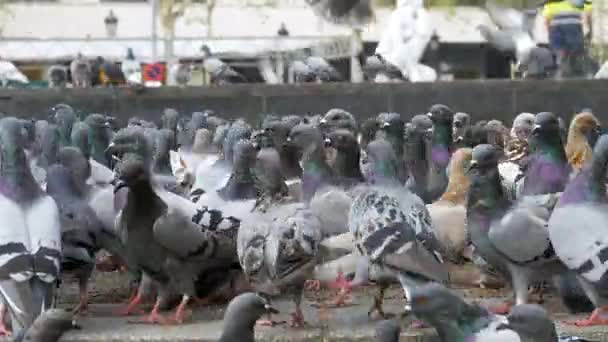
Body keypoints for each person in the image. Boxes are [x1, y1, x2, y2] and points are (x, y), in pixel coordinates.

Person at [542, 0, 587, 78]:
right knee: (575, 50)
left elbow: (546, 18)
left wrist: (549, 32)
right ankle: (573, 70)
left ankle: (562, 70)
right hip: (573, 24)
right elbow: (587, 14)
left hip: (556, 26)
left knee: (560, 50)